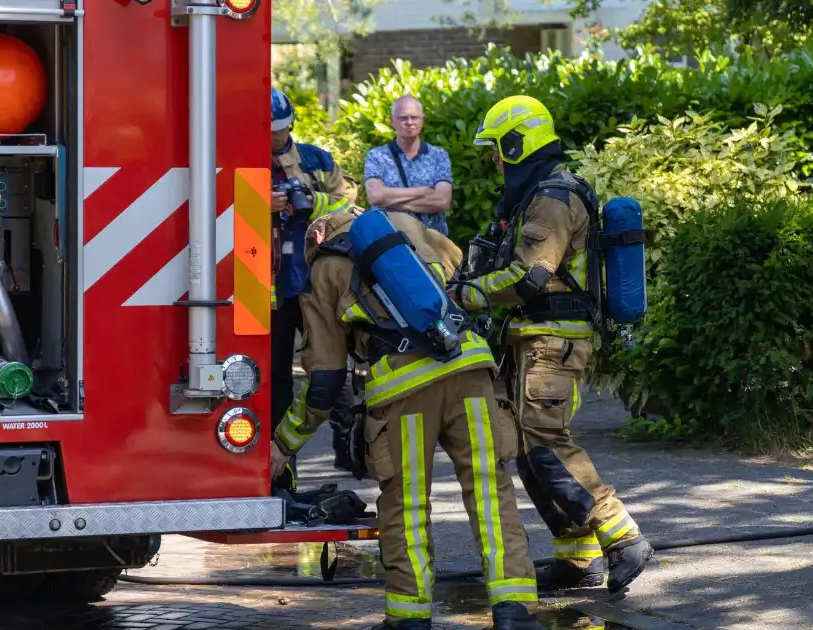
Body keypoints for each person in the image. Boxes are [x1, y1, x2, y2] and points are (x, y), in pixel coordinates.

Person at [268, 208, 544, 630]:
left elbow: (324, 381)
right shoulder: (406, 225)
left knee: (406, 505)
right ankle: (514, 609)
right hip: (468, 368)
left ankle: (409, 617)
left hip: (403, 389)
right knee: (490, 491)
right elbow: (457, 275)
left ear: (318, 234)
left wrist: (282, 446)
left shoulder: (323, 268)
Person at [454, 94, 654, 594]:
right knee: (525, 449)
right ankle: (576, 556)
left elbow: (530, 276)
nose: (496, 160)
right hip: (535, 338)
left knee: (545, 439)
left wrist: (469, 293)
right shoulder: (533, 196)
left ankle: (622, 534)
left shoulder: (551, 197)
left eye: (500, 149)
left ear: (520, 143)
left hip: (554, 339)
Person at [270, 86, 359, 483]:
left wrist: (308, 200)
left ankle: (352, 450)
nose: (273, 138)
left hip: (314, 283)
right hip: (268, 291)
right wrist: (260, 202)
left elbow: (348, 204)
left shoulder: (317, 160)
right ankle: (279, 471)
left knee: (332, 370)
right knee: (275, 384)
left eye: (279, 130)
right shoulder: (239, 160)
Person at [364, 95, 454, 235]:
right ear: (392, 121)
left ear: (423, 119)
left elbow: (442, 200)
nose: (409, 122)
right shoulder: (377, 156)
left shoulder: (439, 155)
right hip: (391, 242)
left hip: (433, 243)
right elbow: (376, 196)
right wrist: (425, 191)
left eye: (414, 117)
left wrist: (388, 202)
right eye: (403, 118)